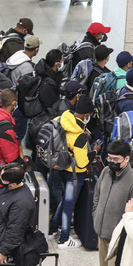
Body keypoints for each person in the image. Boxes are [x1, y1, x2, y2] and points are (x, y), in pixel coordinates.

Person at [91, 140, 133, 266]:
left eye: (116, 159)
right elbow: (97, 195)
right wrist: (95, 215)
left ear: (126, 159)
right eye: (109, 157)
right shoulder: (105, 172)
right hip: (102, 233)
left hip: (119, 239)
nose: (111, 162)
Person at [49, 96, 99, 249]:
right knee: (69, 205)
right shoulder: (79, 135)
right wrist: (94, 152)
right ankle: (64, 239)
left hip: (63, 168)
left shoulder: (65, 119)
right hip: (75, 174)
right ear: (85, 115)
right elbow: (83, 162)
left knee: (66, 201)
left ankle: (52, 230)